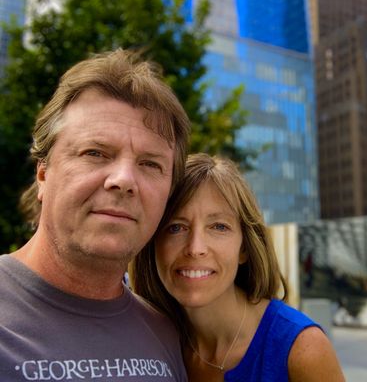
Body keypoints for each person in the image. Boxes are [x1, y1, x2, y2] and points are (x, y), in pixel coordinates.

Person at [0, 49, 190, 381]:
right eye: (95, 153)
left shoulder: (168, 335)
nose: (124, 180)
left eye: (150, 164)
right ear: (43, 174)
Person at [131, 153, 345, 382]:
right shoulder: (153, 344)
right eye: (176, 227)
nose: (195, 248)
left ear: (244, 248)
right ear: (152, 244)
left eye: (218, 227)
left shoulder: (303, 348)